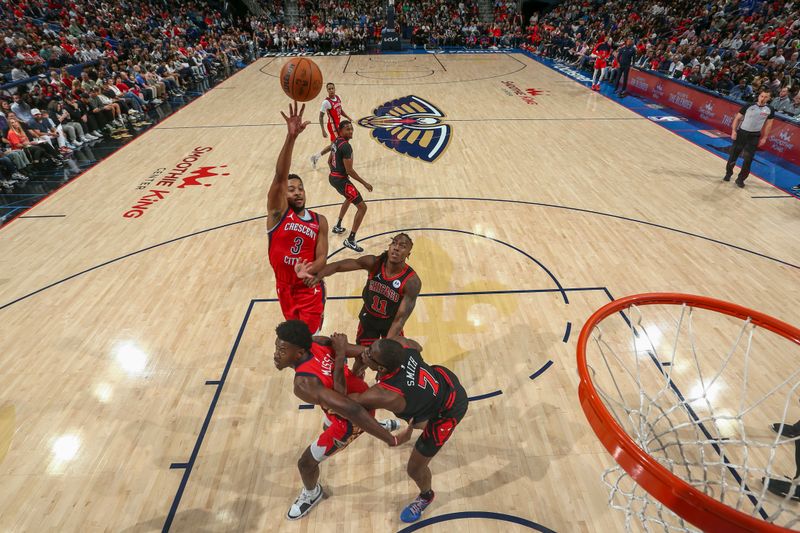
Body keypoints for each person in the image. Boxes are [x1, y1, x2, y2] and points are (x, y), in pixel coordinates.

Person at [273, 321, 411, 520]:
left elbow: (352, 409)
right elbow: (364, 352)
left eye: (282, 349)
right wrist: (343, 351)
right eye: (277, 347)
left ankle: (313, 493)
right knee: (328, 414)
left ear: (299, 352)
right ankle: (372, 425)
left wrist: (392, 440)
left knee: (305, 464)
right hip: (357, 396)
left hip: (349, 421)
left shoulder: (303, 384)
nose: (276, 354)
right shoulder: (317, 342)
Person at [332, 336, 469, 523]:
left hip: (448, 410)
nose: (365, 352)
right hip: (442, 381)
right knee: (415, 419)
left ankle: (426, 496)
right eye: (369, 348)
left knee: (414, 468)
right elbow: (418, 347)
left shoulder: (385, 394)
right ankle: (421, 417)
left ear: (381, 369)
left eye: (370, 354)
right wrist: (358, 354)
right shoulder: (402, 346)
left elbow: (342, 401)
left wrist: (340, 356)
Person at [297, 233, 421, 374]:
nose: (397, 248)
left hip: (391, 323)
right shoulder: (374, 263)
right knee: (362, 359)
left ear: (408, 254)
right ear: (389, 246)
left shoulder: (411, 281)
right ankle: (355, 378)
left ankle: (384, 383)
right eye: (395, 243)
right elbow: (339, 266)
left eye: (402, 246)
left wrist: (386, 346)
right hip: (369, 318)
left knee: (388, 363)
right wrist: (319, 274)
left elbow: (399, 320)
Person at [268, 102, 329, 334]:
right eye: (291, 189)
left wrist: (310, 269)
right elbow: (280, 176)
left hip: (308, 287)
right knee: (295, 339)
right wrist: (291, 137)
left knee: (308, 339)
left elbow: (322, 257)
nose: (297, 192)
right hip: (283, 287)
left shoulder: (319, 220)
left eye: (300, 188)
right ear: (284, 194)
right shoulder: (277, 216)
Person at [327, 120, 373, 252]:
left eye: (352, 129)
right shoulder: (346, 147)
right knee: (362, 208)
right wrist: (365, 183)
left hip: (333, 177)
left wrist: (335, 172)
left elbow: (329, 161)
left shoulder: (336, 141)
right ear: (341, 131)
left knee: (349, 198)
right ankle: (350, 240)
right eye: (347, 129)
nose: (351, 131)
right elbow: (350, 171)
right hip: (341, 180)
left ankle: (338, 226)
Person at [723, 89, 775, 188]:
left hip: (754, 136)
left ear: (769, 98)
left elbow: (769, 125)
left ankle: (741, 179)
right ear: (759, 96)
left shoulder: (770, 109)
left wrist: (764, 138)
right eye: (762, 96)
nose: (763, 98)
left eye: (766, 97)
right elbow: (737, 118)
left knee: (748, 159)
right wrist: (734, 131)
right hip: (742, 133)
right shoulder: (749, 105)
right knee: (733, 155)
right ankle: (728, 173)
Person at [309, 82, 353, 168]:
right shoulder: (326, 102)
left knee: (334, 145)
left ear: (335, 89)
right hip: (332, 126)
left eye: (332, 88)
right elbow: (321, 117)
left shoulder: (338, 97)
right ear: (327, 90)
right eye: (329, 89)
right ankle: (331, 163)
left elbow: (340, 110)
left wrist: (348, 117)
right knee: (336, 145)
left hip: (338, 125)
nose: (331, 90)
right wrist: (323, 130)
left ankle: (316, 157)